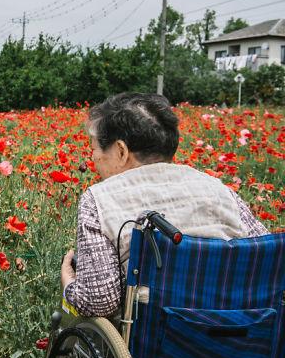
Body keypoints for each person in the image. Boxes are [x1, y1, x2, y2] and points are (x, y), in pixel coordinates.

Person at [60, 92, 270, 317]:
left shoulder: (98, 201)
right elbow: (267, 261)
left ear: (121, 151)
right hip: (232, 339)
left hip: (151, 344)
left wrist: (69, 284)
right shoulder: (220, 190)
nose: (93, 158)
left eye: (96, 149)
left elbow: (99, 302)